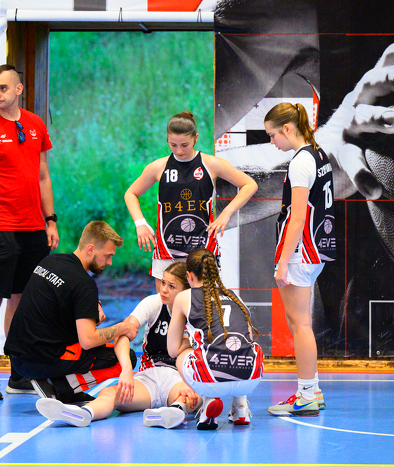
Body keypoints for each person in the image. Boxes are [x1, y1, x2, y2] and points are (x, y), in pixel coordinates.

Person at [0, 64, 60, 401]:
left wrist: (50, 220)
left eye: (2, 88)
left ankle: (18, 374)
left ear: (18, 89)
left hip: (32, 229)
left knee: (22, 299)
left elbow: (43, 175)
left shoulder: (35, 124)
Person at [35, 261, 201, 428]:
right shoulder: (155, 302)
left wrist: (191, 382)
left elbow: (206, 354)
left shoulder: (199, 312)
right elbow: (123, 334)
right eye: (163, 282)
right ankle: (84, 413)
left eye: (171, 286)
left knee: (194, 395)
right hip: (150, 376)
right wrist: (127, 370)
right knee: (109, 392)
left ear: (186, 291)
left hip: (180, 378)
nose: (163, 289)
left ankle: (174, 411)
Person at [4, 221, 138, 405]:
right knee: (126, 357)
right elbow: (88, 340)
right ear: (90, 249)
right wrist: (123, 327)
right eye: (107, 256)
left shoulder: (50, 261)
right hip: (40, 361)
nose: (110, 262)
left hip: (17, 360)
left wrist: (91, 313)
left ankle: (61, 387)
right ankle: (62, 386)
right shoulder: (84, 283)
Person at [124, 111, 258, 293]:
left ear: (196, 138)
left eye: (184, 145)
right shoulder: (158, 167)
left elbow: (249, 184)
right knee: (168, 307)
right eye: (173, 145)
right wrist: (140, 223)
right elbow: (131, 193)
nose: (179, 150)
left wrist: (226, 213)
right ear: (167, 139)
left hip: (202, 249)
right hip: (166, 250)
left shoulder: (211, 164)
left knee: (203, 307)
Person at [263, 102, 336, 417]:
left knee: (300, 325)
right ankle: (313, 390)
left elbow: (297, 217)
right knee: (300, 323)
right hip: (315, 250)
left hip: (300, 252)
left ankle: (306, 395)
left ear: (287, 128)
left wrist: (282, 262)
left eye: (272, 135)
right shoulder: (319, 154)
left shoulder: (300, 162)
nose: (272, 142)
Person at [168, 248, 264, 430]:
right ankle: (240, 406)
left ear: (189, 276)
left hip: (210, 379)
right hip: (250, 379)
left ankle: (208, 401)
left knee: (185, 354)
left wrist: (195, 341)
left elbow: (172, 349)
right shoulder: (234, 296)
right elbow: (249, 339)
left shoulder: (184, 297)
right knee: (243, 348)